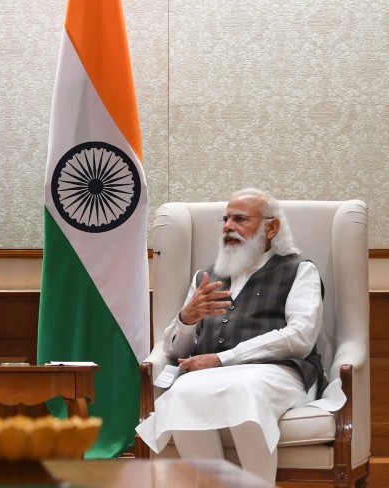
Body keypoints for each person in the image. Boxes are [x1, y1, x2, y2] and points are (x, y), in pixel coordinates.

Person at [136, 188, 328, 485]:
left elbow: (300, 337)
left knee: (243, 390)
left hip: (279, 371)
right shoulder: (207, 277)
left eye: (239, 219)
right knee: (183, 393)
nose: (228, 226)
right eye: (225, 219)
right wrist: (186, 320)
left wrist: (223, 359)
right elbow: (173, 349)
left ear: (271, 228)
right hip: (209, 374)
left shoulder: (299, 270)